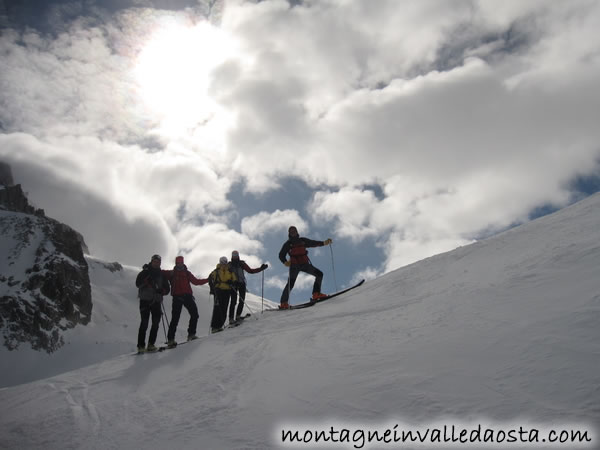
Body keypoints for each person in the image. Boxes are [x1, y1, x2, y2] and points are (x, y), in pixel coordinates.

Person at [278, 226, 332, 309]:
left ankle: (316, 294)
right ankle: (283, 303)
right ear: (289, 233)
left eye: (294, 231)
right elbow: (281, 255)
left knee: (319, 274)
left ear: (297, 231)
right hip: (294, 266)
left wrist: (324, 243)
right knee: (290, 284)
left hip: (304, 264)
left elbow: (313, 243)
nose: (293, 232)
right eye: (291, 231)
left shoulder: (302, 240)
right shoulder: (288, 244)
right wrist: (285, 262)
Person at [163, 256, 209, 347]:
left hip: (187, 296)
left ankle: (190, 334)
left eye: (180, 263)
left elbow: (196, 281)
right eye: (178, 263)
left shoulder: (186, 273)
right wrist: (148, 269)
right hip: (177, 297)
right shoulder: (172, 273)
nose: (179, 264)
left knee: (194, 314)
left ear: (183, 263)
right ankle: (171, 339)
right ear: (176, 263)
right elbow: (159, 272)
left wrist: (208, 279)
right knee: (175, 318)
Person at [135, 254, 170, 352]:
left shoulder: (161, 275)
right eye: (155, 261)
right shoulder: (145, 272)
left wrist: (162, 291)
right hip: (145, 301)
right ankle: (141, 346)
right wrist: (146, 282)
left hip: (156, 301)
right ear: (152, 261)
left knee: (155, 323)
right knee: (145, 323)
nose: (157, 263)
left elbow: (167, 289)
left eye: (158, 262)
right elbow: (138, 284)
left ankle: (150, 344)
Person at [228, 250, 268, 324]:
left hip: (241, 283)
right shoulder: (229, 265)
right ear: (232, 256)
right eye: (234, 255)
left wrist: (260, 269)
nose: (235, 256)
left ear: (238, 256)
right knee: (233, 301)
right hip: (233, 284)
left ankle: (237, 316)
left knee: (241, 300)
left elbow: (250, 271)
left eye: (236, 255)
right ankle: (231, 318)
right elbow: (226, 274)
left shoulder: (241, 264)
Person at [208, 256, 238, 332]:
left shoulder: (230, 271)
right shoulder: (216, 271)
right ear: (220, 262)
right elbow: (210, 278)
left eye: (225, 262)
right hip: (218, 290)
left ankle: (220, 325)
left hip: (227, 291)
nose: (224, 264)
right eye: (222, 262)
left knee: (224, 308)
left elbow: (234, 280)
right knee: (217, 308)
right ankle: (214, 327)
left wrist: (232, 282)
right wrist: (212, 288)